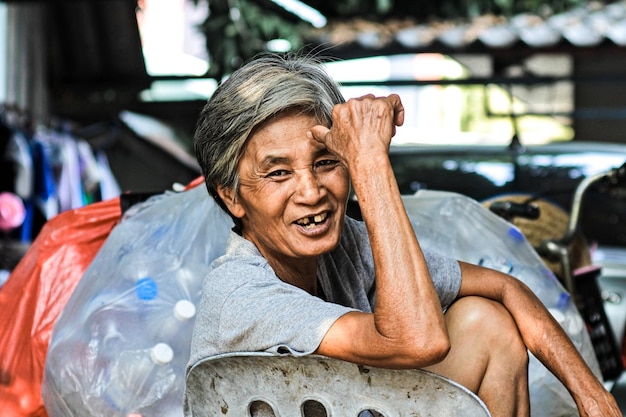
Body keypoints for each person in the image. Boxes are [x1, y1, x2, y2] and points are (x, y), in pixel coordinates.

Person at [186, 52, 621, 417]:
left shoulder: (344, 249)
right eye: (279, 172)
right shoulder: (241, 296)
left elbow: (506, 288)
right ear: (233, 198)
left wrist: (594, 398)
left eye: (326, 162)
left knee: (485, 322)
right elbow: (419, 341)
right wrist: (370, 162)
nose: (312, 192)